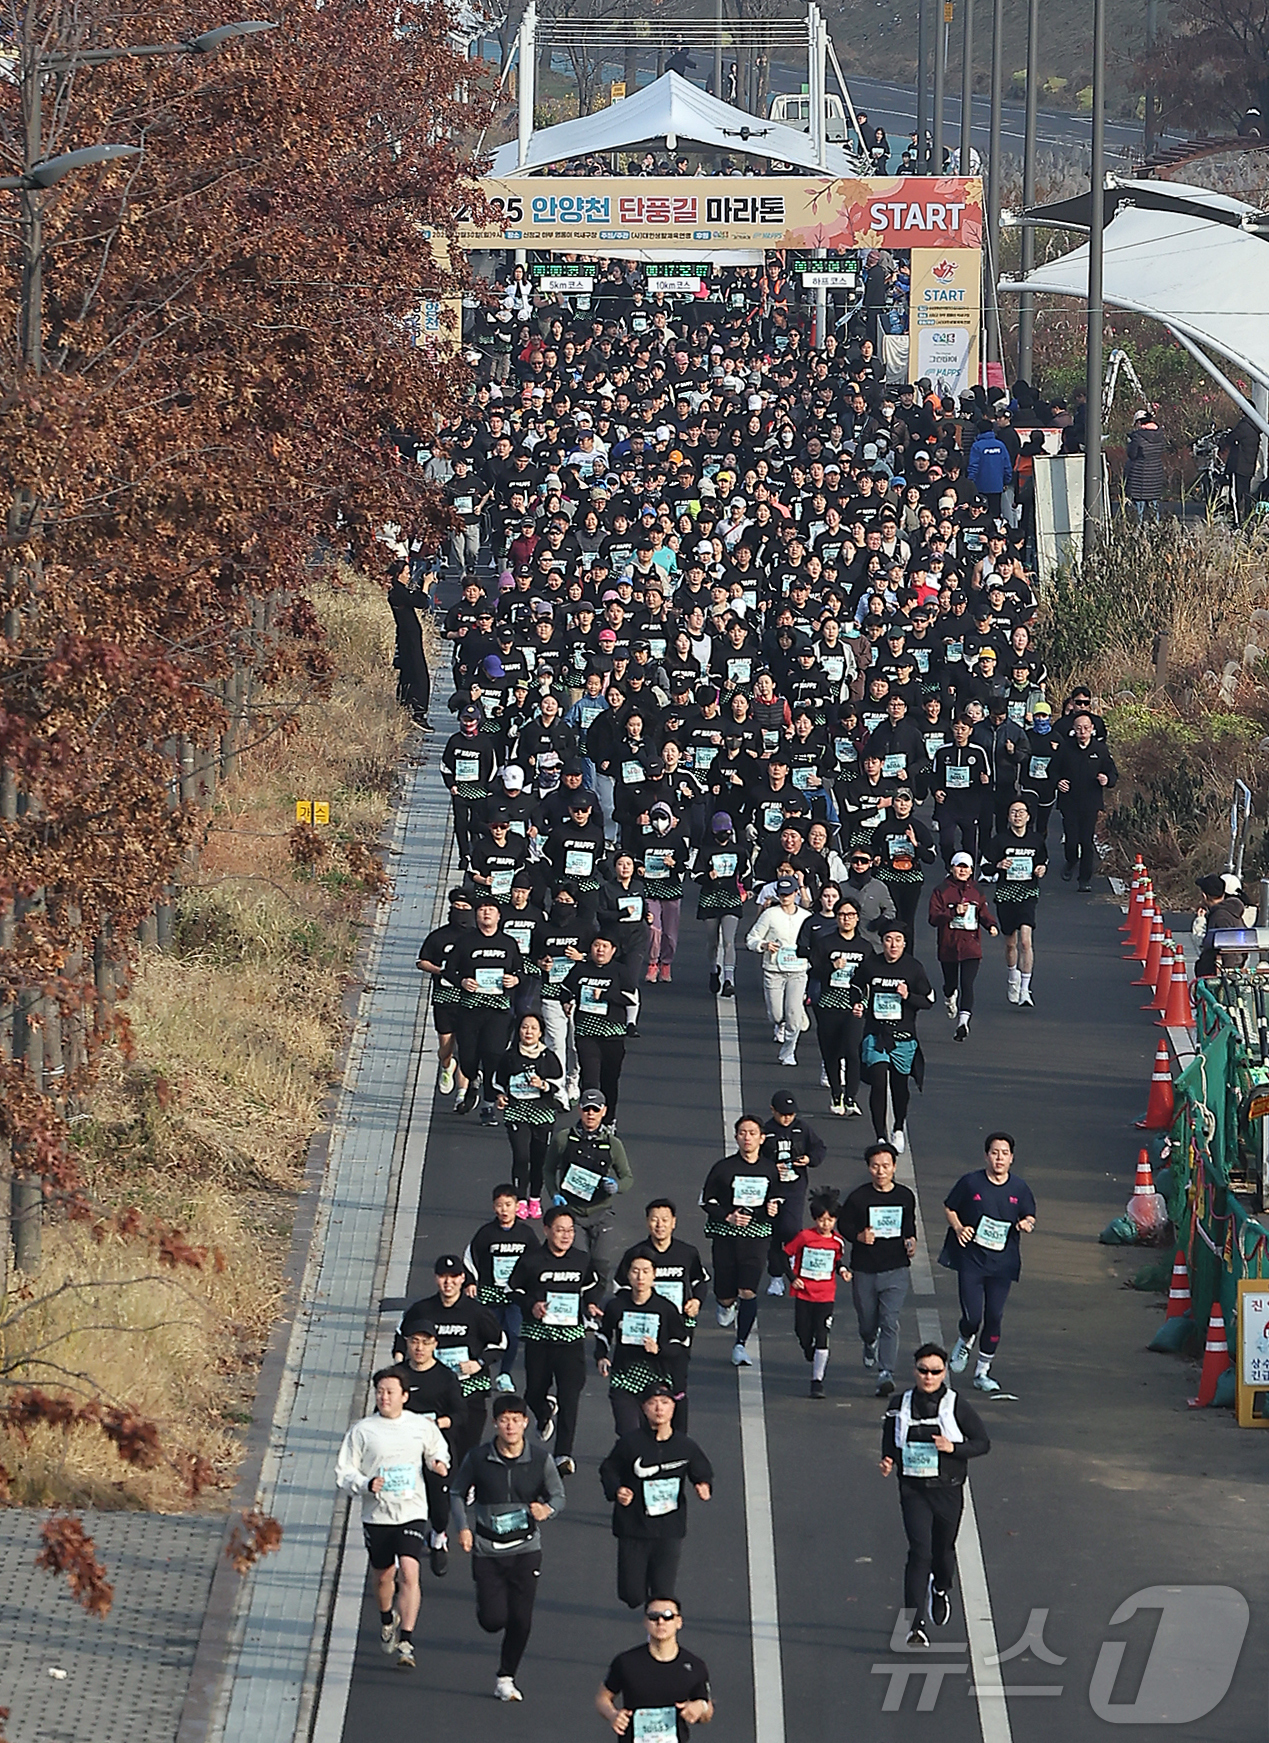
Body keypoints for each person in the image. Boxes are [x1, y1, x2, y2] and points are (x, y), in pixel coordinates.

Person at [451, 1391, 566, 1701]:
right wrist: (463, 1528)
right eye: (504, 1421)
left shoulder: (540, 1460)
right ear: (494, 1424)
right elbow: (457, 1492)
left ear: (526, 1423)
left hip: (526, 1549)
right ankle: (486, 1605)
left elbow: (559, 1496)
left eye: (516, 1420)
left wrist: (548, 1510)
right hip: (487, 1548)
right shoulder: (478, 1458)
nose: (510, 1426)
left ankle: (506, 1676)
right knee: (492, 1620)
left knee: (522, 1619)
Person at [334, 1365, 450, 1670]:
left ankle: (407, 1640)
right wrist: (365, 1484)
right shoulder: (362, 1430)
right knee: (383, 1575)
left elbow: (437, 1448)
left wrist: (439, 1463)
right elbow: (344, 1473)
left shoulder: (419, 1426)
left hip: (412, 1510)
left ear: (404, 1396)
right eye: (379, 1391)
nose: (384, 1397)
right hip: (377, 1515)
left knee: (410, 1572)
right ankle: (387, 1618)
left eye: (390, 1392)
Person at [878, 1344, 991, 1647]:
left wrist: (953, 1448)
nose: (928, 1377)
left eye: (935, 1372)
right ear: (914, 1370)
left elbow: (982, 1443)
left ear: (944, 1373)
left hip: (947, 1490)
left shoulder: (956, 1405)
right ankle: (915, 1626)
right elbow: (890, 1439)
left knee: (942, 1553)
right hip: (913, 1489)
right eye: (923, 1371)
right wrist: (888, 1459)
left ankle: (940, 1588)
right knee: (919, 1552)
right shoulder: (898, 1403)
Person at [598, 1385, 714, 1610]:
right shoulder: (630, 1443)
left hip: (669, 1528)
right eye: (652, 1403)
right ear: (644, 1408)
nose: (659, 1408)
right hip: (634, 1527)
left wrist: (703, 1484)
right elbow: (609, 1469)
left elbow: (701, 1468)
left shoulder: (685, 1446)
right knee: (631, 1594)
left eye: (665, 1403)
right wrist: (617, 1490)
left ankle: (658, 1628)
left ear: (673, 1408)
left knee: (663, 1594)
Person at [939, 1132, 1037, 1394]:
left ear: (1012, 1158)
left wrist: (1027, 1224)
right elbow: (950, 1207)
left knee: (994, 1316)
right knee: (973, 1317)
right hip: (972, 1260)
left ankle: (982, 1372)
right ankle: (965, 1338)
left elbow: (1029, 1215)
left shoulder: (1019, 1188)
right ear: (986, 1156)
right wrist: (959, 1228)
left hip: (1002, 1263)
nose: (999, 1158)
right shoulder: (970, 1183)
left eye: (1004, 1153)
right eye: (994, 1152)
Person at [511, 1206, 604, 1476]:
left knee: (570, 1395)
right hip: (539, 1339)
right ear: (547, 1230)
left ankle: (564, 1453)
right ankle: (543, 1410)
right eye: (560, 1230)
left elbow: (593, 1286)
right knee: (533, 1391)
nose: (566, 1236)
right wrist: (532, 1305)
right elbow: (514, 1289)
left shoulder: (582, 1260)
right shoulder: (531, 1260)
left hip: (571, 1340)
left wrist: (592, 1304)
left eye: (570, 1230)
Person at [397, 1256, 506, 1462]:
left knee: (466, 1451)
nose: (448, 1283)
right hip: (435, 1392)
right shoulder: (422, 1310)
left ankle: (466, 1489)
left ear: (463, 1278)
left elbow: (500, 1343)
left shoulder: (477, 1312)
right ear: (435, 1278)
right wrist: (403, 1368)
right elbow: (401, 1337)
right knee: (433, 1452)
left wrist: (479, 1363)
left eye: (454, 1277)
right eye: (443, 1277)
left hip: (470, 1390)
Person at [701, 1114, 785, 1367]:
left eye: (752, 1133)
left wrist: (773, 1207)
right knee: (726, 1294)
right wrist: (728, 1216)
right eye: (742, 1133)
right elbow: (707, 1200)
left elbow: (777, 1196)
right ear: (736, 1137)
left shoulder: (769, 1168)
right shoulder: (723, 1168)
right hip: (726, 1235)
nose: (747, 1137)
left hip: (757, 1236)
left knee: (748, 1290)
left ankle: (740, 1344)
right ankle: (725, 1304)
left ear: (761, 1138)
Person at [839, 1141, 918, 1398]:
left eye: (886, 1166)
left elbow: (909, 1225)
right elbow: (843, 1225)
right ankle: (868, 1341)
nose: (881, 1171)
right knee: (867, 1320)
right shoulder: (859, 1197)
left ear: (894, 1167)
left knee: (890, 1320)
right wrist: (859, 1236)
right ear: (869, 1168)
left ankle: (886, 1372)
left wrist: (911, 1240)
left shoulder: (905, 1196)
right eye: (875, 1166)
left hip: (895, 1268)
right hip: (864, 1269)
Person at [850, 922, 934, 1151]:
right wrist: (858, 1004)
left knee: (899, 1085)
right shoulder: (871, 965)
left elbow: (928, 1000)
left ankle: (898, 1127)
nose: (893, 944)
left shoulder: (914, 968)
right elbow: (855, 987)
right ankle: (880, 1136)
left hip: (904, 1036)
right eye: (888, 939)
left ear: (904, 943)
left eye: (898, 940)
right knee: (878, 1081)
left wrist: (908, 996)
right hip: (876, 1033)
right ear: (883, 942)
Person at [543, 1088, 633, 1290]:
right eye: (586, 1109)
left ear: (603, 1111)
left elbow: (628, 1177)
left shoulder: (613, 1144)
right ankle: (577, 1306)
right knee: (579, 1262)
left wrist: (617, 1187)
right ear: (579, 1110)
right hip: (572, 1214)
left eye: (595, 1109)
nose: (590, 1114)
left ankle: (594, 1308)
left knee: (601, 1263)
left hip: (601, 1213)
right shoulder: (564, 1139)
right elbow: (548, 1170)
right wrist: (554, 1194)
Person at [445, 896, 522, 1119]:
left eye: (491, 910)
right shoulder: (465, 942)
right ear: (475, 916)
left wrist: (514, 980)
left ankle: (488, 1104)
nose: (486, 913)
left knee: (493, 1056)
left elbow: (520, 970)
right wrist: (462, 981)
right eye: (481, 910)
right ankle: (473, 1078)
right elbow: (449, 970)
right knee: (468, 1057)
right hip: (470, 1009)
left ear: (499, 916)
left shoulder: (508, 943)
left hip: (498, 1010)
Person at [596, 1256, 691, 1435]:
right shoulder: (616, 1306)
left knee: (653, 1434)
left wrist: (659, 1349)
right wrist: (601, 1356)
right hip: (624, 1379)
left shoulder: (666, 1308)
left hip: (656, 1378)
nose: (640, 1277)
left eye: (646, 1272)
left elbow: (681, 1342)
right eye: (635, 1271)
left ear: (654, 1275)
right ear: (628, 1275)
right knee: (628, 1432)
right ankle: (629, 1459)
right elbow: (603, 1334)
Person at [397, 1321, 464, 1575]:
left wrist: (434, 1423)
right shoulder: (397, 1374)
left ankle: (437, 1538)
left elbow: (460, 1414)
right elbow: (381, 1409)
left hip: (437, 1448)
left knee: (439, 1502)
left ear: (435, 1345)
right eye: (415, 1341)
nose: (420, 1348)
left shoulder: (446, 1377)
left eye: (426, 1343)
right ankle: (401, 1550)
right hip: (403, 1450)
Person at [596, 1594, 714, 1737]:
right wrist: (612, 1715)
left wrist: (700, 1707)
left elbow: (707, 1713)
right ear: (645, 1622)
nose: (660, 1621)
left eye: (668, 1616)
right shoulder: (626, 1662)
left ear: (679, 1622)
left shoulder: (695, 1667)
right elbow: (603, 1697)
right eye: (654, 1616)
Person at [464, 1183, 542, 1389]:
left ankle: (505, 1374)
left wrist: (534, 1289)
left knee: (513, 1333)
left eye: (508, 1204)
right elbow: (470, 1258)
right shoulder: (486, 1233)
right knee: (488, 1333)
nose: (504, 1210)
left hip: (515, 1295)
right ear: (493, 1207)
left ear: (517, 1206)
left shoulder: (526, 1234)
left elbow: (537, 1262)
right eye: (499, 1205)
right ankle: (482, 1370)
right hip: (491, 1294)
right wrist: (470, 1281)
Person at [802, 895, 871, 1118]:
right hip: (829, 1004)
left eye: (851, 915)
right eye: (842, 915)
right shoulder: (825, 943)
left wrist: (864, 1003)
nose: (846, 919)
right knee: (831, 1053)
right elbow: (813, 972)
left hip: (853, 1007)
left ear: (857, 918)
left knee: (852, 1051)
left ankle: (851, 1096)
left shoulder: (865, 947)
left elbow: (870, 980)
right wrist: (832, 967)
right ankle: (836, 1094)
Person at [493, 1011, 564, 1216]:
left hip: (542, 1113)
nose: (528, 1032)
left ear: (541, 1032)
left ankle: (535, 1198)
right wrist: (500, 1096)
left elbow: (558, 1083)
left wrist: (542, 1084)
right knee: (521, 1156)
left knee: (538, 1159)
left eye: (533, 1028)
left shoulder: (548, 1056)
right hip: (517, 1112)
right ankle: (520, 1199)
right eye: (524, 1027)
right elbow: (498, 1081)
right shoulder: (510, 1055)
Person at [784, 1188, 851, 1397]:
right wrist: (792, 1279)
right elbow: (783, 1255)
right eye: (822, 1220)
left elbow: (836, 1260)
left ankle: (817, 1381)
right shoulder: (804, 1237)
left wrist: (842, 1271)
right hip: (804, 1294)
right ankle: (808, 1348)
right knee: (802, 1331)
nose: (826, 1224)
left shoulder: (837, 1242)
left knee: (822, 1335)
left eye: (830, 1220)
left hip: (825, 1296)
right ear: (815, 1219)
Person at [563, 932, 636, 1123]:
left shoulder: (620, 971)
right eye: (596, 945)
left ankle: (609, 1119)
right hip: (586, 1033)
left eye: (605, 946)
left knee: (609, 1080)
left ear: (613, 950)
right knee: (590, 1079)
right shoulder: (580, 969)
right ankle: (589, 1120)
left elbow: (630, 998)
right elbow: (565, 989)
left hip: (613, 1034)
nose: (600, 950)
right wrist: (566, 1001)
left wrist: (605, 995)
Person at [926, 853, 999, 1043]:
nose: (963, 871)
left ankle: (963, 1022)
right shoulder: (940, 890)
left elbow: (983, 912)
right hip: (948, 946)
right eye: (959, 867)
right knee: (951, 984)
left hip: (971, 947)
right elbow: (933, 918)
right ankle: (949, 996)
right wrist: (952, 912)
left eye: (966, 868)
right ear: (952, 868)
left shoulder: (976, 890)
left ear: (971, 870)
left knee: (967, 983)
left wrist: (991, 925)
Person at [761, 1090, 825, 1294]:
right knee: (772, 1234)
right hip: (770, 1190)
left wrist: (809, 1159)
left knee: (791, 1228)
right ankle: (776, 1277)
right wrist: (771, 1168)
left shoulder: (802, 1128)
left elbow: (819, 1149)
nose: (788, 1118)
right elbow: (755, 1157)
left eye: (791, 1114)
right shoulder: (766, 1130)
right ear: (773, 1110)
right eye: (783, 1113)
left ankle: (791, 1261)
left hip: (794, 1188)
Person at [985, 798, 1047, 1006]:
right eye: (1013, 812)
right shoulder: (999, 840)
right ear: (1008, 816)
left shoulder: (1036, 840)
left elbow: (1042, 862)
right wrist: (999, 865)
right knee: (1011, 943)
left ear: (1028, 817)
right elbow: (985, 867)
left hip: (1028, 892)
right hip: (1005, 893)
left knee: (1025, 941)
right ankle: (1013, 977)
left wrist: (1041, 869)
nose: (1017, 815)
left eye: (1021, 811)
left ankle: (1025, 989)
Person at [745, 875, 811, 1067]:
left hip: (798, 971)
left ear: (796, 893)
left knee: (792, 1015)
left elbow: (815, 942)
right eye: (781, 894)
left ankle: (788, 1052)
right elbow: (751, 939)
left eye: (789, 894)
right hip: (773, 970)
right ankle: (789, 1017)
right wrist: (764, 945)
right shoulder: (770, 915)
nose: (785, 898)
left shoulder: (805, 917)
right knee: (776, 1014)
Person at [416, 887, 475, 1098]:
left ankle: (462, 1091)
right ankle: (447, 1065)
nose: (460, 911)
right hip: (444, 998)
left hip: (471, 999)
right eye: (456, 907)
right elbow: (421, 961)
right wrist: (440, 971)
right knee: (446, 1046)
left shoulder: (476, 937)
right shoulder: (438, 936)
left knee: (468, 1047)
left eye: (465, 908)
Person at [1050, 712, 1117, 891]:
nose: (1082, 731)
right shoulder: (1065, 748)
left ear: (1092, 729)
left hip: (1090, 802)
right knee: (1071, 840)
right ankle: (1071, 861)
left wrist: (1106, 779)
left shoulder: (1100, 749)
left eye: (1086, 728)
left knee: (1086, 842)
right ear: (1073, 729)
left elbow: (1112, 773)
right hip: (1069, 801)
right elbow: (1052, 770)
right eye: (1079, 728)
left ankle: (1085, 880)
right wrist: (1058, 781)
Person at [1123, 408, 1166, 522]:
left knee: (1138, 508)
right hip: (1155, 472)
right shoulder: (1160, 435)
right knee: (1154, 505)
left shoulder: (1137, 437)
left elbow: (1132, 454)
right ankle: (1156, 531)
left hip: (1139, 474)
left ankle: (1138, 533)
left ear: (1138, 422)